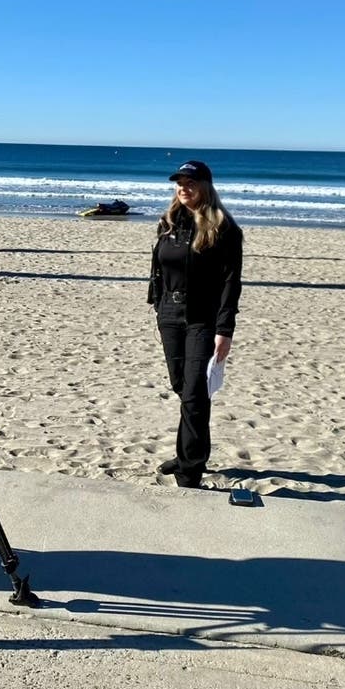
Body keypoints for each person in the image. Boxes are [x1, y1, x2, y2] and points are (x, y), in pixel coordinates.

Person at [147, 160, 243, 488]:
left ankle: (190, 470)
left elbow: (232, 282)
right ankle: (192, 451)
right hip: (170, 317)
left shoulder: (223, 227)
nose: (183, 187)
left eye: (191, 182)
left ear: (205, 186)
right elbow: (158, 268)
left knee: (194, 394)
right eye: (179, 182)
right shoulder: (169, 222)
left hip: (202, 318)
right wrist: (157, 302)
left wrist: (224, 329)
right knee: (182, 386)